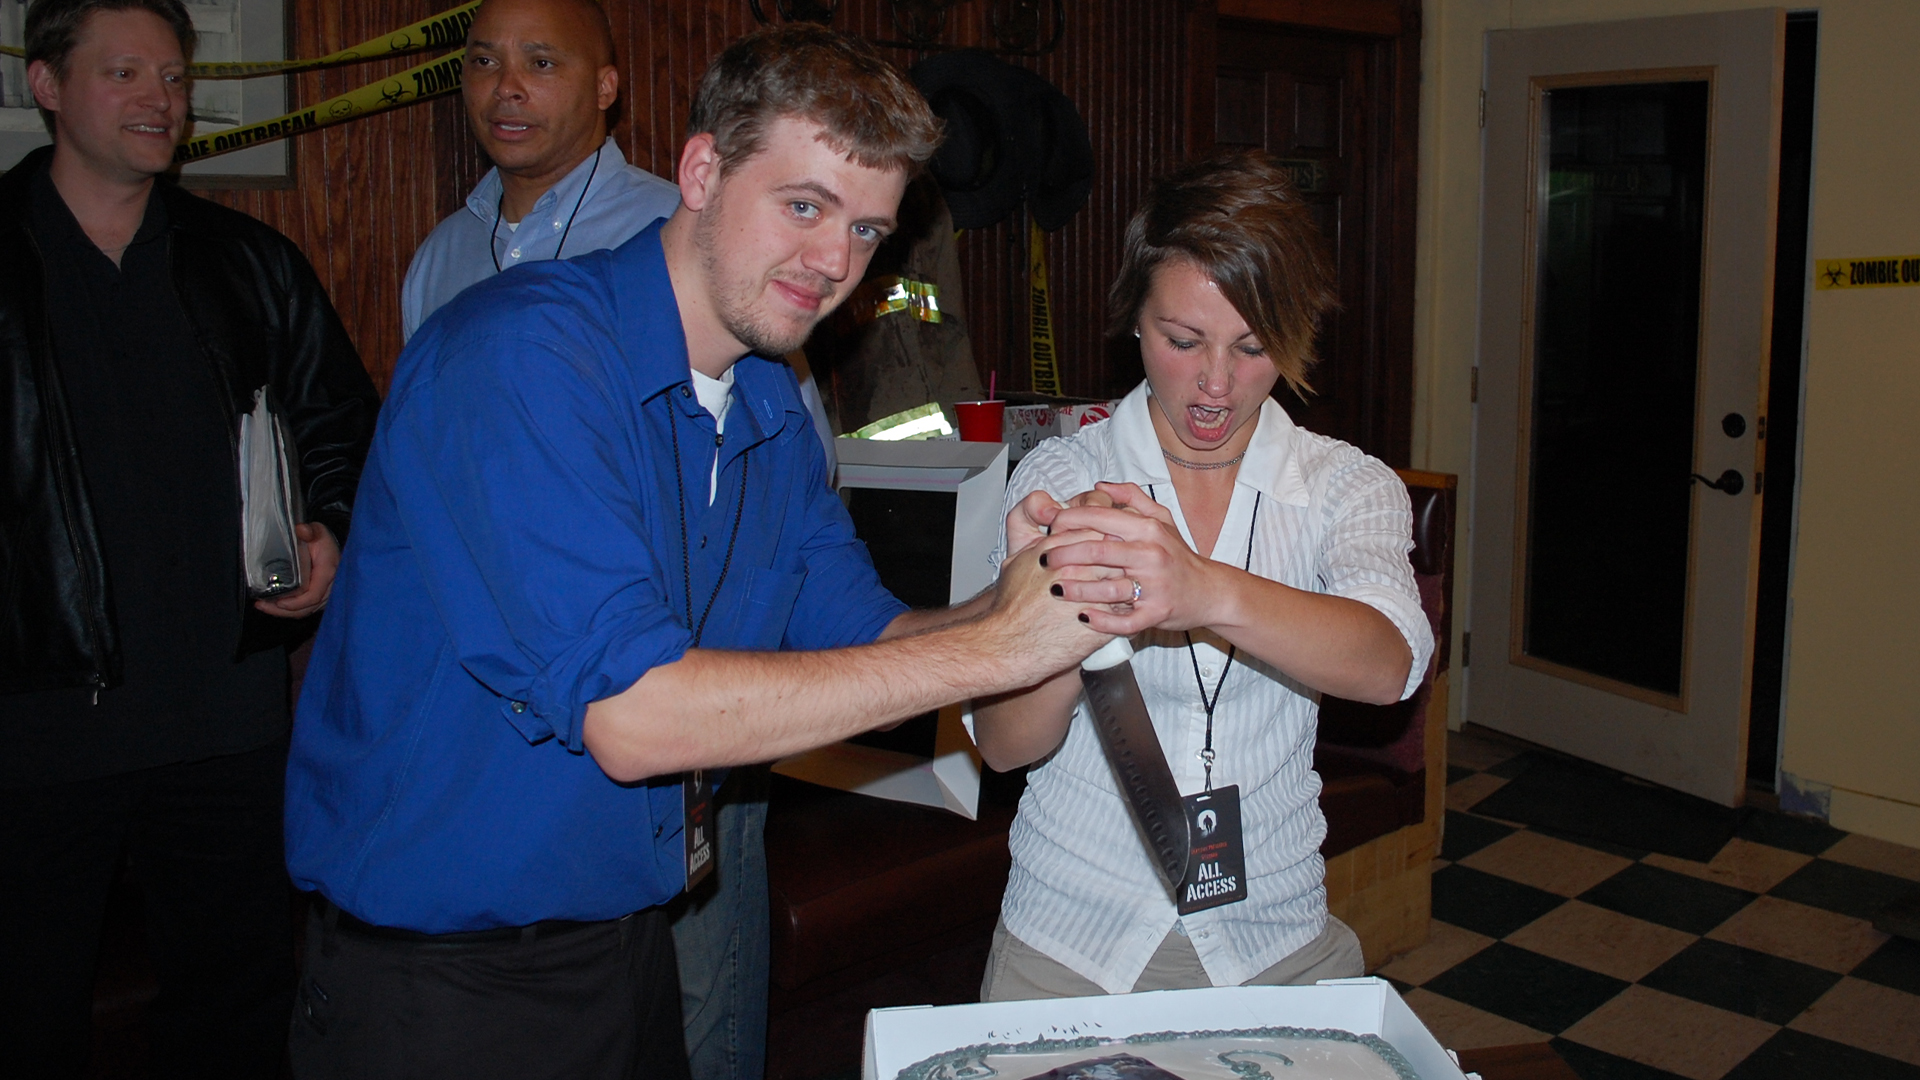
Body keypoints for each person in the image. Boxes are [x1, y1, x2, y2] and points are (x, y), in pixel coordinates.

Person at [283, 24, 1105, 1079]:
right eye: (802, 205)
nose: (832, 264)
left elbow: (882, 643)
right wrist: (992, 652)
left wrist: (1034, 596)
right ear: (703, 169)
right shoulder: (521, 355)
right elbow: (635, 718)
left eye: (866, 229)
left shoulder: (767, 399)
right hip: (433, 990)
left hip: (628, 949)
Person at [398, 3, 792, 1075]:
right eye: (482, 63)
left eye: (540, 62)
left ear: (608, 85)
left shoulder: (684, 229)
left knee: (695, 996)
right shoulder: (441, 257)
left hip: (672, 686)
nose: (505, 88)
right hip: (510, 733)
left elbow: (782, 481)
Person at [0, 0, 379, 1075]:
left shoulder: (250, 262)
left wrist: (334, 538)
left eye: (171, 76)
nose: (160, 99)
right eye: (125, 74)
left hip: (226, 716)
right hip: (34, 729)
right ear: (46, 86)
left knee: (236, 1008)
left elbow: (345, 430)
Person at [973, 150, 1434, 1001]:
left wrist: (1204, 588)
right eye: (1183, 341)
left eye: (1254, 347)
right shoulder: (1069, 481)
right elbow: (1006, 747)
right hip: (1071, 939)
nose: (1216, 384)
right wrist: (1049, 613)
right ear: (1135, 323)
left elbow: (1390, 666)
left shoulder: (1342, 485)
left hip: (1275, 937)